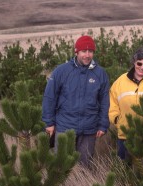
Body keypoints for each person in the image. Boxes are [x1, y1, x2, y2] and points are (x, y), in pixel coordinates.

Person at [42, 35, 110, 167]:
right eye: (84, 51)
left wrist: (103, 124)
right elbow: (49, 97)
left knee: (85, 166)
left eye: (90, 51)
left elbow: (104, 101)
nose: (87, 55)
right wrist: (49, 122)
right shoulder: (61, 71)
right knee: (60, 167)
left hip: (89, 129)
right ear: (76, 51)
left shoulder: (100, 74)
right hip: (65, 126)